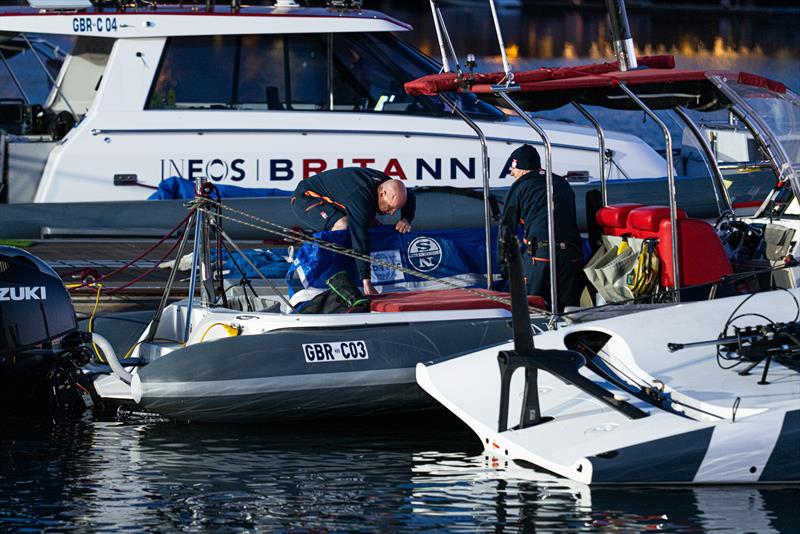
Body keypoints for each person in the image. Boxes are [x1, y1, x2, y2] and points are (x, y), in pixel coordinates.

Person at [291, 167, 415, 296]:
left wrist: (406, 218)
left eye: (396, 209)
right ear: (382, 193)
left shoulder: (388, 184)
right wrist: (366, 280)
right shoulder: (360, 197)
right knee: (343, 225)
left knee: (375, 227)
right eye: (390, 207)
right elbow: (359, 237)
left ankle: (362, 271)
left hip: (340, 196)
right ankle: (336, 278)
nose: (391, 213)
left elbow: (410, 195)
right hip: (306, 197)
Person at [499, 144, 583, 311]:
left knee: (532, 307)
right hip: (571, 256)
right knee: (570, 310)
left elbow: (506, 229)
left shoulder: (520, 186)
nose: (511, 174)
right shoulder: (562, 183)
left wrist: (504, 268)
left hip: (540, 255)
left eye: (513, 169)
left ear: (521, 169)